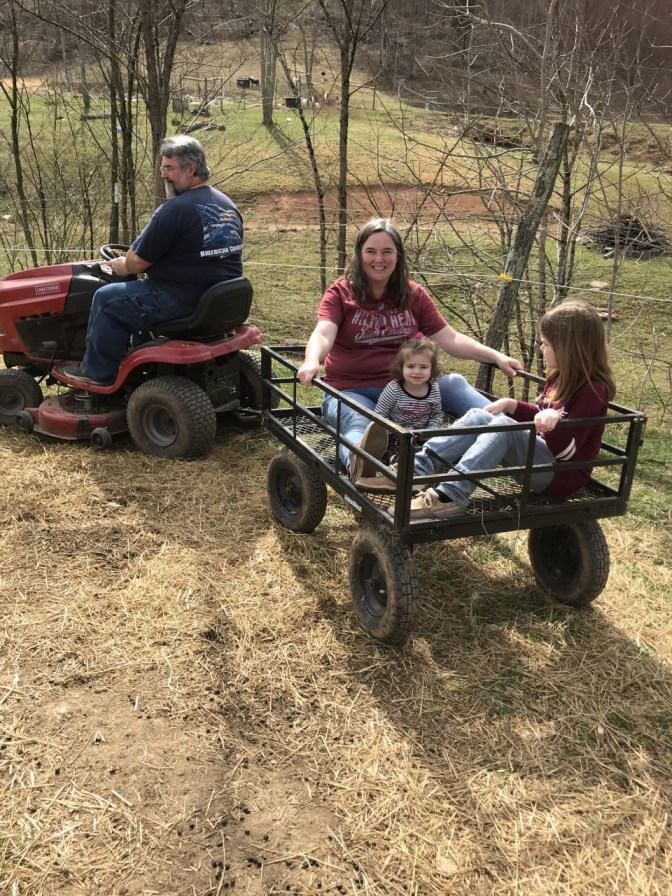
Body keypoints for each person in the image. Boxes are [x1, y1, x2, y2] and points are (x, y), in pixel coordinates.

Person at [297, 217, 522, 477]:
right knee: (364, 422)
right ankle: (361, 462)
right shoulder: (340, 294)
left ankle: (517, 438)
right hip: (351, 390)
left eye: (387, 252)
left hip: (408, 386)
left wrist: (496, 357)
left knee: (455, 383)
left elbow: (450, 338)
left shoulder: (413, 294)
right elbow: (324, 332)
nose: (378, 259)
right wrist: (312, 359)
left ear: (398, 255)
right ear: (359, 255)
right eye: (370, 251)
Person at [400, 301, 617, 520]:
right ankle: (417, 468)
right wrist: (513, 406)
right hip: (539, 459)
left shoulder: (593, 390)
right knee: (480, 415)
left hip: (559, 476)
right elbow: (541, 414)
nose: (541, 349)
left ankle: (449, 497)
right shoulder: (561, 376)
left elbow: (567, 452)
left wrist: (554, 424)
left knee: (504, 427)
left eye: (546, 344)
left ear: (568, 348)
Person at [64, 135, 244, 386]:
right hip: (219, 298)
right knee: (127, 295)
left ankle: (97, 374)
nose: (163, 175)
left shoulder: (175, 209)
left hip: (183, 298)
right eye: (162, 168)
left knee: (106, 299)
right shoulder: (226, 204)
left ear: (190, 169)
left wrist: (122, 265)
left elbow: (136, 263)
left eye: (169, 168)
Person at [352, 335, 444, 483]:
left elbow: (437, 414)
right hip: (396, 434)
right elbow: (379, 416)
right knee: (398, 448)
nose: (417, 372)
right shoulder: (394, 389)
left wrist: (431, 430)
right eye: (410, 366)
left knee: (435, 448)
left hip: (422, 434)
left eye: (424, 367)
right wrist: (398, 429)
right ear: (401, 367)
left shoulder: (433, 388)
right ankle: (397, 466)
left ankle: (427, 470)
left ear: (432, 369)